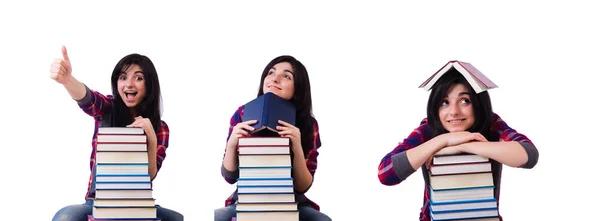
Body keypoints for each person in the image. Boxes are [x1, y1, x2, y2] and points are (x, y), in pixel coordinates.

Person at [377, 67, 539, 221]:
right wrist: (443, 141)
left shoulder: (491, 123)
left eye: (464, 101)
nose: (454, 111)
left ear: (478, 104)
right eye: (444, 102)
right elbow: (386, 173)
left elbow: (528, 155)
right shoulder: (429, 129)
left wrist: (464, 144)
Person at [49, 46, 183, 221]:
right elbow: (88, 99)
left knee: (175, 218)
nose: (129, 84)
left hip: (138, 203)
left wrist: (151, 136)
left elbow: (150, 175)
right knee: (66, 216)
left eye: (139, 78)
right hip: (97, 201)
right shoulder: (107, 108)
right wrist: (68, 80)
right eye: (123, 77)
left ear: (149, 84)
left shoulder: (161, 128)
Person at [214, 55, 332, 221]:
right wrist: (233, 143)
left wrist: (296, 146)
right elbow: (229, 177)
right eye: (271, 73)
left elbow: (303, 186)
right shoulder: (243, 114)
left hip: (292, 201)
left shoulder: (308, 124)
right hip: (247, 199)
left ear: (298, 89)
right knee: (220, 217)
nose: (274, 79)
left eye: (286, 76)